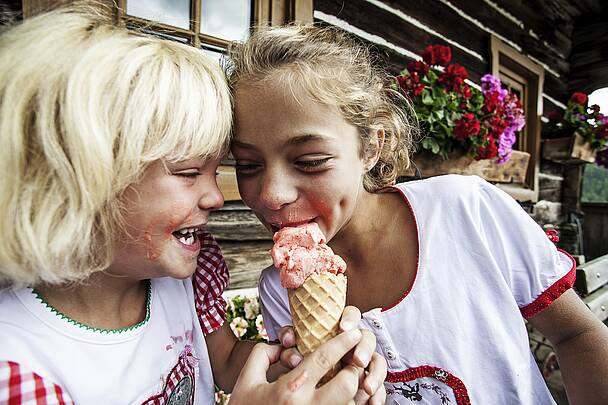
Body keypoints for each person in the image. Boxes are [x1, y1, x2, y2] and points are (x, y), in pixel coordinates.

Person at [0, 6, 387, 404]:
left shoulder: (182, 277)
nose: (216, 197)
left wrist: (301, 370)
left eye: (220, 169)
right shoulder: (19, 369)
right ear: (77, 182)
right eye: (187, 172)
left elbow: (226, 361)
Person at [225, 24, 608, 404]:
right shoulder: (279, 289)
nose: (272, 195)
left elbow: (576, 335)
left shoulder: (466, 210)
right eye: (246, 165)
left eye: (310, 161)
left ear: (371, 148)